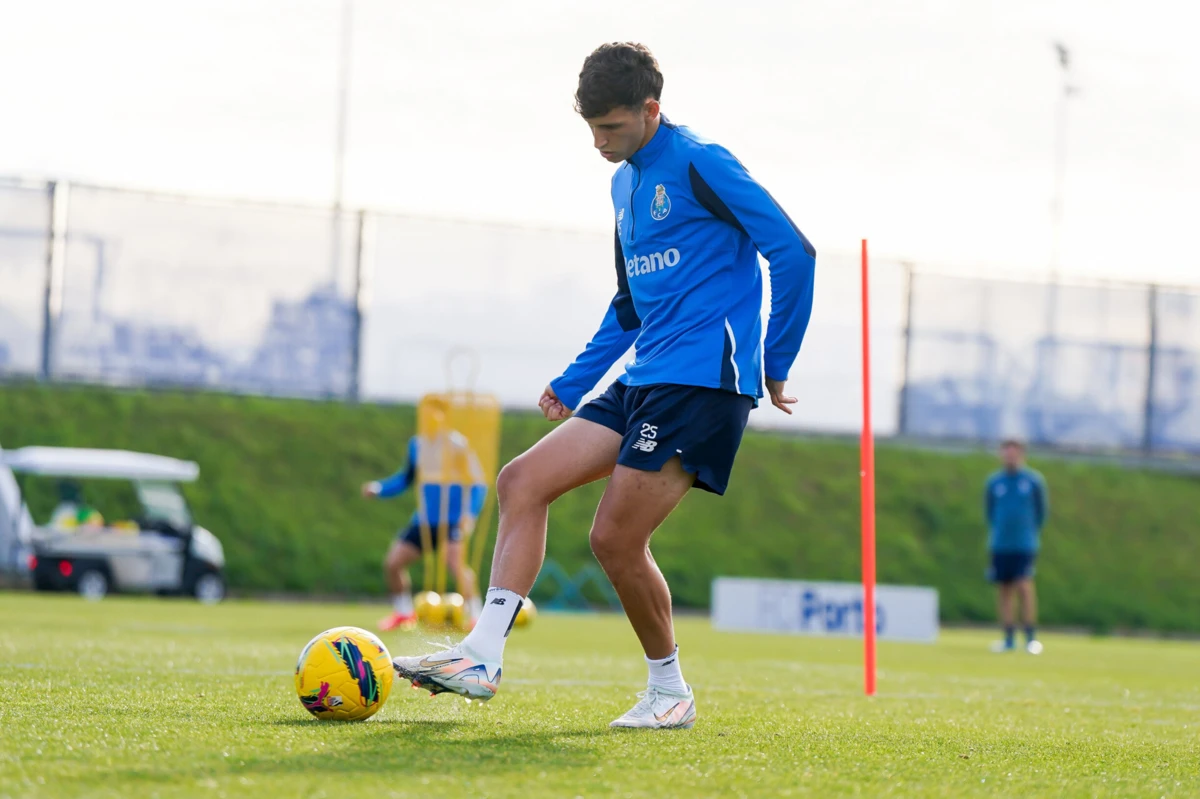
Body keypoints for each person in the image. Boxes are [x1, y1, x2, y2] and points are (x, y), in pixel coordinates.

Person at [393, 42, 816, 730]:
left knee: (614, 539)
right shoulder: (622, 183)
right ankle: (482, 653)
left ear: (651, 109)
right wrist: (576, 379)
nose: (599, 142)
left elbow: (793, 250)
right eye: (591, 128)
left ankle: (670, 691)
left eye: (612, 127)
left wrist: (775, 356)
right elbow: (630, 302)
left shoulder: (702, 161)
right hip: (645, 374)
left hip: (705, 381)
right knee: (521, 480)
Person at [365, 413, 487, 632]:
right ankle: (403, 614)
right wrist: (379, 489)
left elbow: (478, 483)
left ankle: (476, 618)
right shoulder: (417, 445)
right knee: (393, 563)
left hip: (453, 520)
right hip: (425, 520)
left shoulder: (457, 444)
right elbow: (406, 478)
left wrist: (470, 514)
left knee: (456, 565)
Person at [986, 439, 1048, 655]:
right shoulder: (994, 482)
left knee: (1024, 585)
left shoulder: (1033, 481)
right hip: (1000, 543)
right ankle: (1008, 637)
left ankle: (1031, 637)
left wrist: (1029, 533)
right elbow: (990, 512)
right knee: (1004, 589)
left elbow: (1041, 513)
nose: (1010, 457)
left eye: (1014, 453)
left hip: (1024, 543)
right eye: (1006, 453)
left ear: (1022, 455)